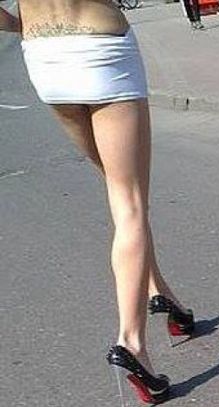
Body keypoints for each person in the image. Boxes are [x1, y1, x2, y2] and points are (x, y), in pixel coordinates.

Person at [0, 1, 195, 404]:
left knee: (119, 187)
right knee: (130, 203)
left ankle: (163, 295)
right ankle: (132, 343)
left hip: (44, 55)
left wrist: (20, 24)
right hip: (101, 47)